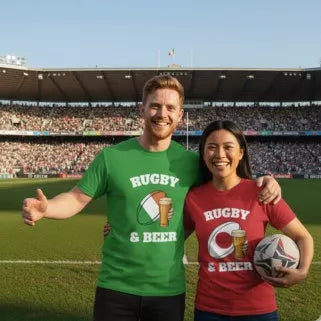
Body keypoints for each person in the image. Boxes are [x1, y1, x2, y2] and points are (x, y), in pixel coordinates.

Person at [22, 75, 281, 321]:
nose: (162, 113)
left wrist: (266, 182)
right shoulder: (111, 158)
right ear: (142, 109)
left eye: (170, 107)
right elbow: (76, 198)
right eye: (155, 106)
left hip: (167, 290)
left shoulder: (192, 163)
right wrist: (47, 208)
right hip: (116, 286)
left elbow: (227, 185)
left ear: (180, 115)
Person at [183, 120, 314, 321]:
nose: (219, 154)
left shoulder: (262, 192)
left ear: (241, 152)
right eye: (211, 147)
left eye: (228, 147)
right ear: (202, 153)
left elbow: (302, 237)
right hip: (209, 309)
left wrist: (303, 271)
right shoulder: (193, 198)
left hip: (258, 310)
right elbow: (171, 240)